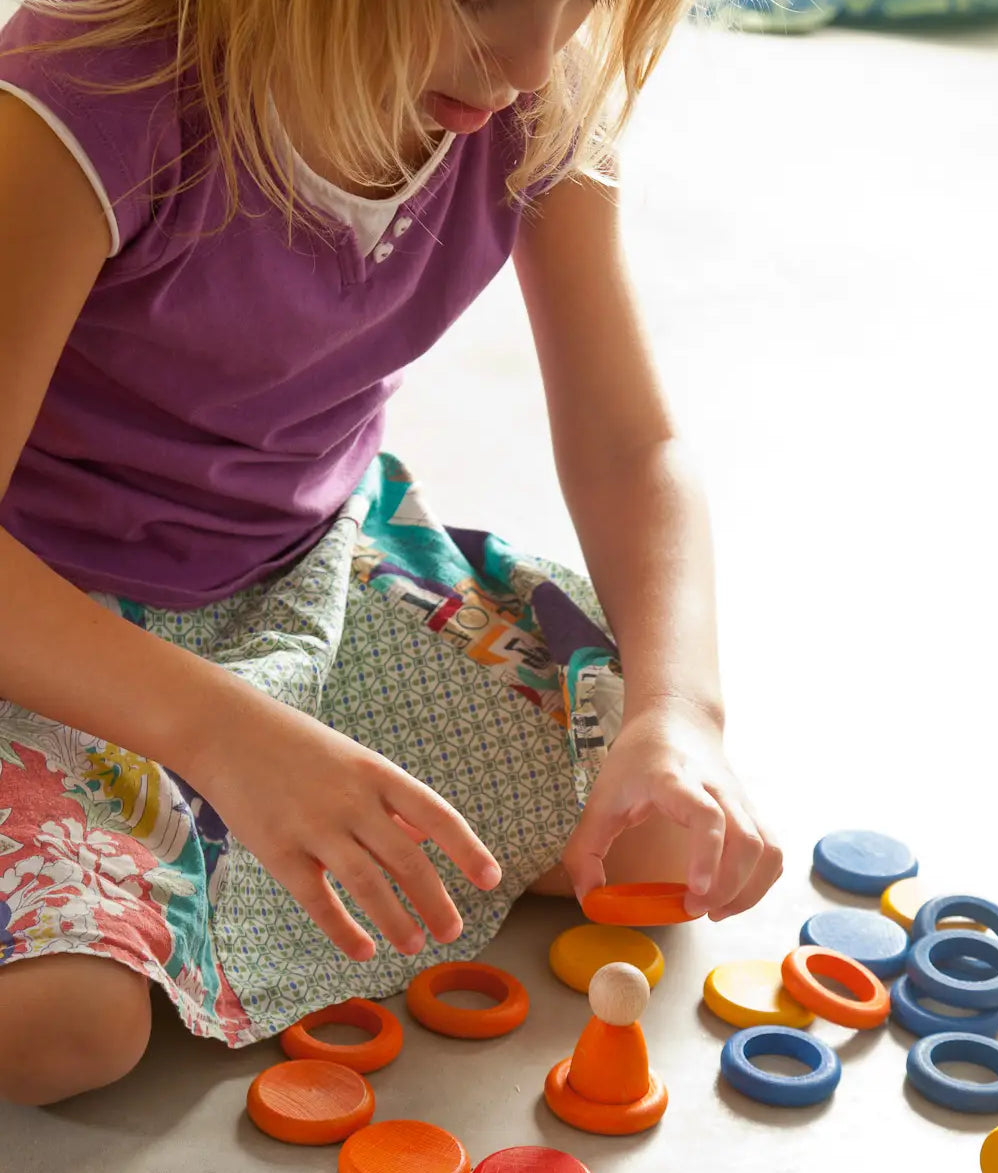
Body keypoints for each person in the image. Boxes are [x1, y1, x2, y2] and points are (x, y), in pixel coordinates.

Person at [0, 0, 782, 1107]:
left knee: (655, 837)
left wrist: (683, 714)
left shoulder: (527, 91)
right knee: (62, 1028)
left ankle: (200, 881)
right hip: (47, 628)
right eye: (487, 4)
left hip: (312, 571)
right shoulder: (89, 92)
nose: (526, 65)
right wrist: (227, 736)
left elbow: (630, 445)